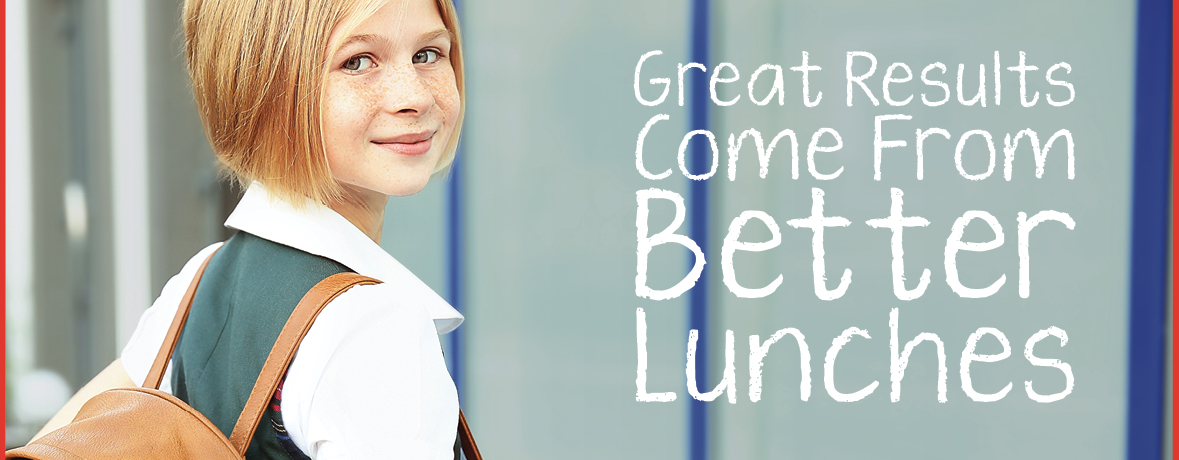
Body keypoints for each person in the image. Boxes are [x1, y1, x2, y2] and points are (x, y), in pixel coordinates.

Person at [31, 0, 468, 458]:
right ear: (265, 85)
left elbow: (50, 446)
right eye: (357, 62)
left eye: (428, 54)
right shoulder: (375, 325)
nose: (413, 96)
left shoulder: (203, 279)